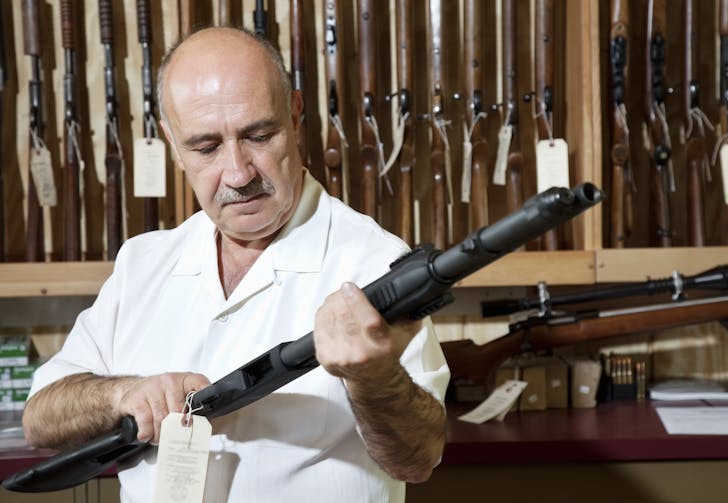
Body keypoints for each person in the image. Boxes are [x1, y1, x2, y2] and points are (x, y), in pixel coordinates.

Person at [22, 27, 449, 502]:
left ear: (295, 115)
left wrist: (375, 378)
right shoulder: (144, 262)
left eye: (259, 135)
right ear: (171, 142)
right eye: (205, 147)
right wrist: (122, 395)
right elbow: (41, 418)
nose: (239, 173)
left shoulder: (376, 264)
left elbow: (418, 458)